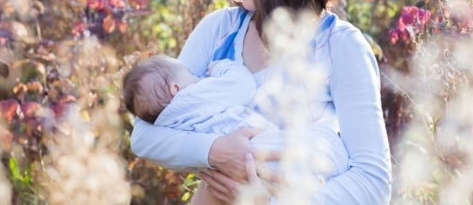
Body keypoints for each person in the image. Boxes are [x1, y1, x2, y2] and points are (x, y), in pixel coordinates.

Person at [129, 0, 392, 204]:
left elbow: (373, 181)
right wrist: (217, 151)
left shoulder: (340, 46)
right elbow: (144, 134)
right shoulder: (219, 30)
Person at [122, 54, 351, 204]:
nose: (198, 76)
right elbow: (242, 85)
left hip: (232, 179)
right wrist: (221, 67)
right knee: (323, 140)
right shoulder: (195, 94)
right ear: (176, 88)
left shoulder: (164, 122)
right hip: (259, 146)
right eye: (191, 75)